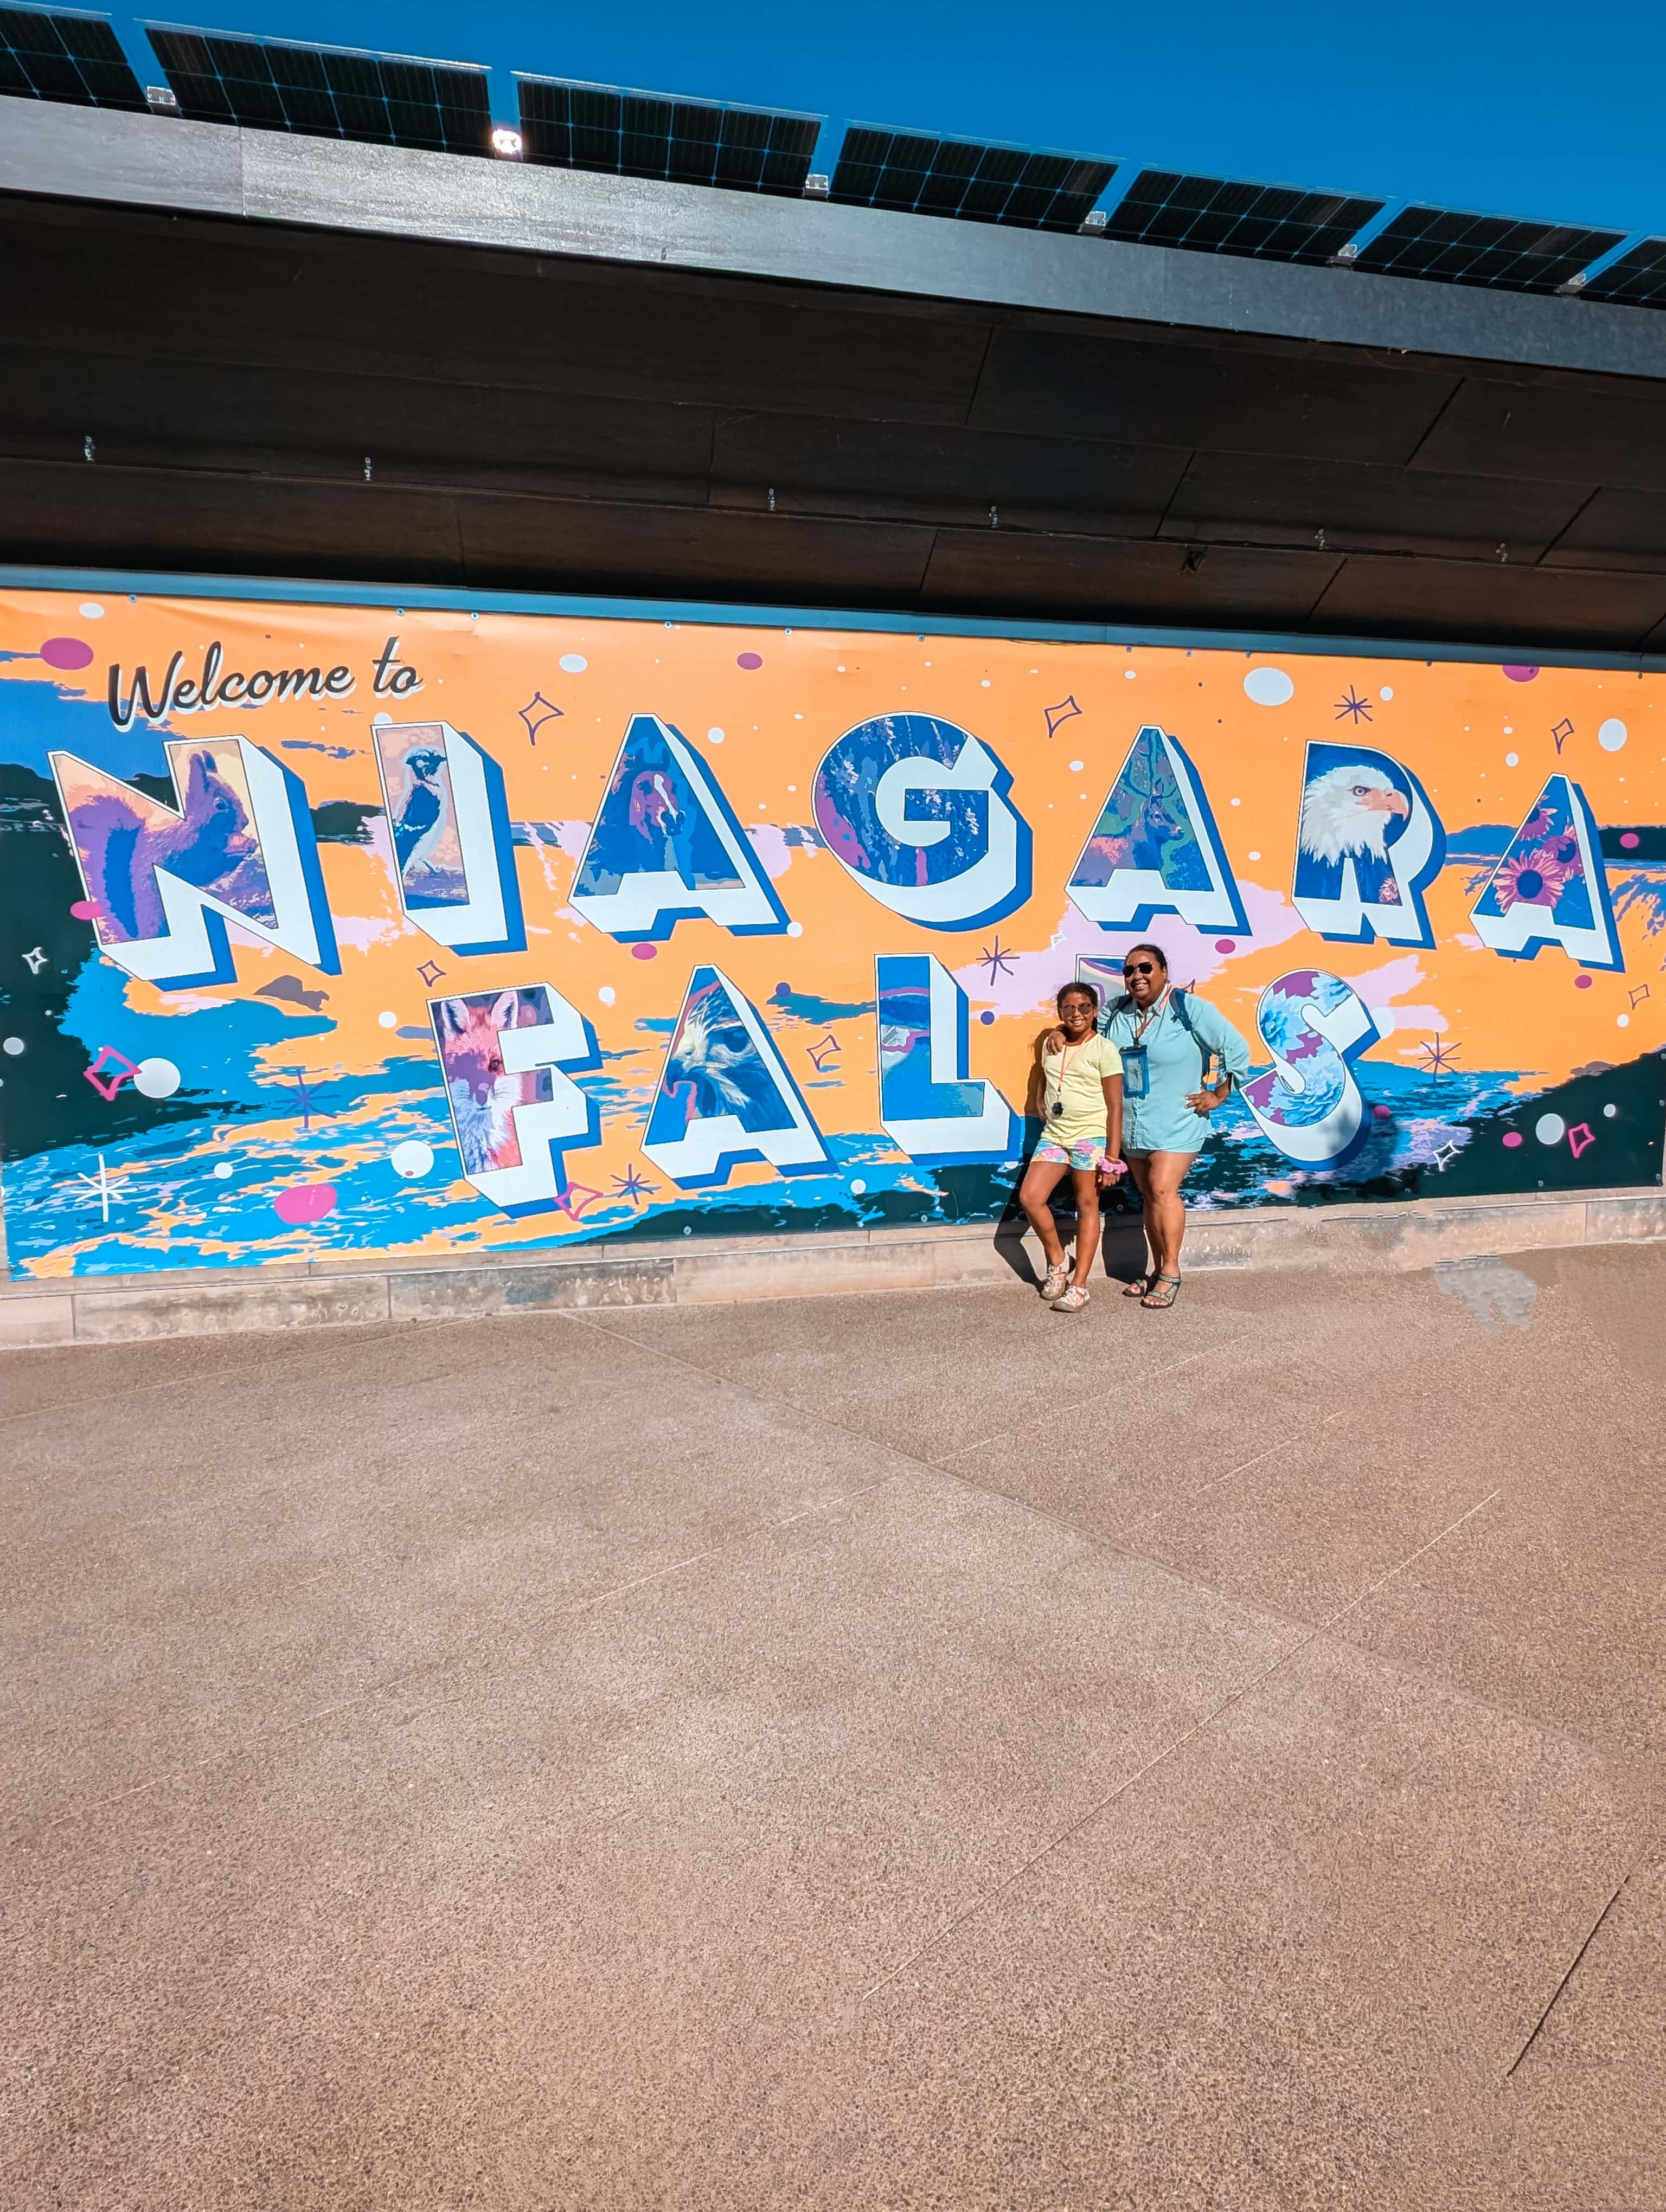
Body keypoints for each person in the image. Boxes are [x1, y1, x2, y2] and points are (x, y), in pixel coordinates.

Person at [1097, 943, 1252, 1310]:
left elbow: (1236, 1048)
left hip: (1179, 1119)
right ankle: (1155, 1269)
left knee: (1163, 1189)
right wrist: (1058, 1036)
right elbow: (1088, 1039)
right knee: (1150, 1196)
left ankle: (1170, 1270)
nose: (1137, 976)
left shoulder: (1188, 1009)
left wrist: (1219, 1094)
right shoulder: (1117, 1013)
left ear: (1164, 971)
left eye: (1146, 968)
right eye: (1130, 970)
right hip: (1134, 1123)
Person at [1018, 981, 1124, 1314]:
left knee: (1087, 1205)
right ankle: (1058, 1260)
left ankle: (1080, 1286)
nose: (1076, 1013)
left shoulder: (1105, 1049)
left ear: (1094, 1011)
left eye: (1084, 1007)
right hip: (1055, 1135)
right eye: (1069, 1008)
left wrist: (1111, 1157)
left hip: (1090, 1137)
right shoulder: (1052, 1044)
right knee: (1030, 1198)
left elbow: (1115, 1106)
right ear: (1060, 1011)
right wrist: (1057, 1031)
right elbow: (1045, 1085)